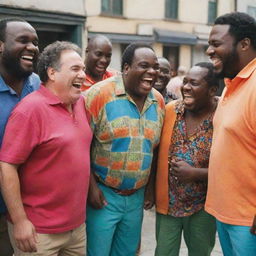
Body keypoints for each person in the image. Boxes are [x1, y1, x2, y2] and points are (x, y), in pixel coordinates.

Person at [0, 41, 92, 255]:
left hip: (77, 228)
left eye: (83, 69)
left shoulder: (80, 103)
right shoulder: (29, 110)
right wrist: (21, 221)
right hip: (38, 232)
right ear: (52, 73)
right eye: (75, 69)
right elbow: (6, 167)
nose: (82, 75)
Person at [83, 42, 165, 256]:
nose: (152, 72)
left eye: (155, 67)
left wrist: (150, 188)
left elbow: (154, 150)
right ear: (126, 68)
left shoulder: (158, 101)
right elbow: (80, 146)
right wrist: (91, 187)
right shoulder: (98, 95)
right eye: (144, 66)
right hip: (103, 195)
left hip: (136, 198)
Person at [155, 62, 219, 256]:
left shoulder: (223, 115)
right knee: (164, 252)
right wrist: (151, 192)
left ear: (212, 90)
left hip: (204, 206)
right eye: (185, 82)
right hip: (169, 203)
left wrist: (195, 174)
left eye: (194, 83)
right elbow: (155, 152)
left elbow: (231, 166)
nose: (186, 87)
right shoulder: (170, 110)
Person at [205, 12, 256, 255]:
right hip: (225, 214)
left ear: (244, 44)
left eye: (216, 44)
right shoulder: (231, 84)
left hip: (248, 222)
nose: (209, 51)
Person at [0, 17, 40, 256]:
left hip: (36, 210)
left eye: (35, 42)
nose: (32, 48)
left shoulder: (39, 84)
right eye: (23, 41)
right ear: (1, 45)